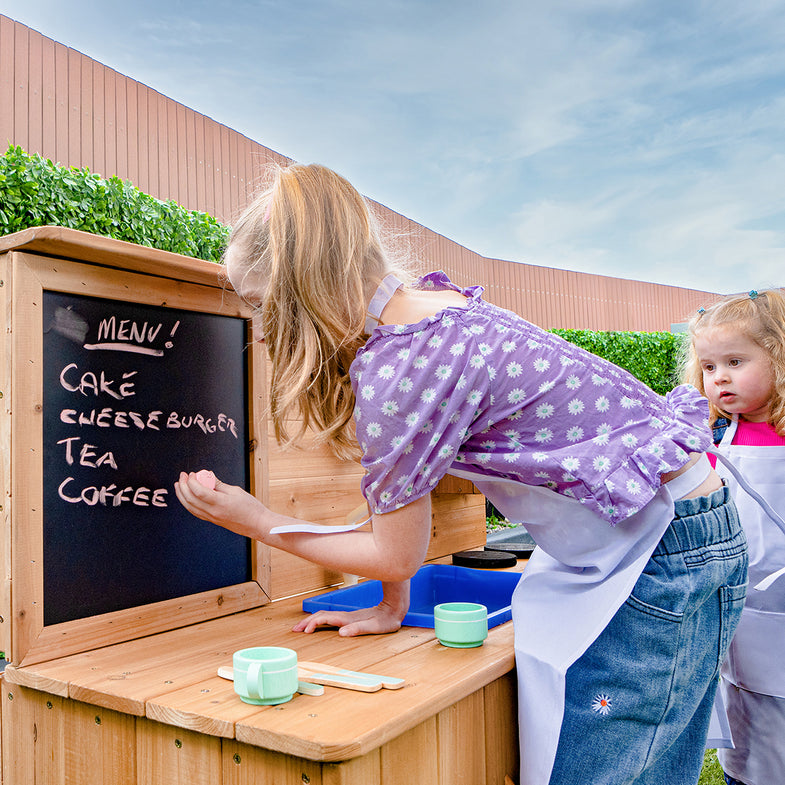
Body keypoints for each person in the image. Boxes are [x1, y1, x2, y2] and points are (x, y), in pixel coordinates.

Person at [175, 163, 747, 785]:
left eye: (262, 305)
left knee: (614, 763)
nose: (262, 326)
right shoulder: (430, 315)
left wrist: (258, 521)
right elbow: (403, 489)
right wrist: (392, 603)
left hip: (663, 557)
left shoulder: (399, 365)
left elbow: (396, 550)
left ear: (298, 292)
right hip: (676, 538)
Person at [682, 289, 785, 785]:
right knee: (749, 709)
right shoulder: (714, 438)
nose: (718, 377)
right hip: (740, 602)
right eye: (708, 366)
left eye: (735, 361)